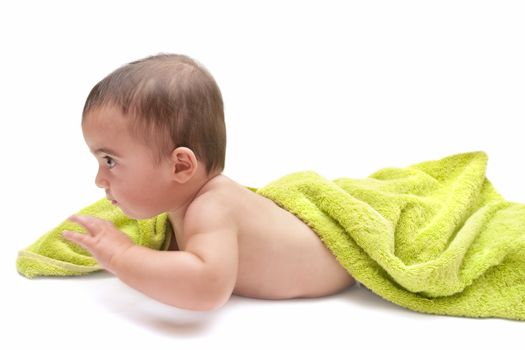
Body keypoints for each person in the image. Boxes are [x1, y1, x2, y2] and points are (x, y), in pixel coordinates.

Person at [62, 53, 354, 311]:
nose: (100, 179)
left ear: (180, 165)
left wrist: (122, 255)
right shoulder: (185, 203)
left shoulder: (212, 207)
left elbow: (206, 287)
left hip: (338, 270)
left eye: (110, 161)